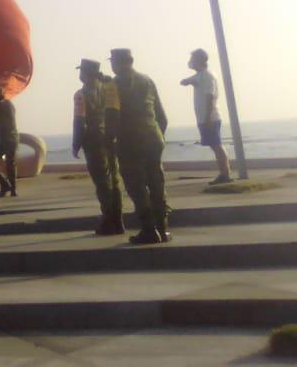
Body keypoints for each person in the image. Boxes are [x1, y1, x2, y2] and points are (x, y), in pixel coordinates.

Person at [111, 48, 170, 245]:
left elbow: (111, 117)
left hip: (130, 141)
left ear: (117, 63)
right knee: (156, 184)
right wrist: (157, 135)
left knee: (137, 187)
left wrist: (112, 141)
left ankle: (149, 229)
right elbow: (162, 116)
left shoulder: (114, 84)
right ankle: (163, 228)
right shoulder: (147, 80)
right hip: (153, 137)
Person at [72, 59, 124, 235]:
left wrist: (76, 143)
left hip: (93, 140)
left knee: (102, 183)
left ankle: (108, 221)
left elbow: (79, 121)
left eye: (81, 71)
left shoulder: (81, 94)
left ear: (85, 73)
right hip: (109, 138)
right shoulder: (109, 88)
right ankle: (119, 221)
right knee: (114, 180)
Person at [181, 48, 232, 185]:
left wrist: (208, 117)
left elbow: (210, 97)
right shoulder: (200, 76)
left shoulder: (207, 76)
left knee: (216, 145)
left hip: (210, 117)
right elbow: (186, 81)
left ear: (199, 60)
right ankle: (224, 173)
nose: (190, 62)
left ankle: (225, 174)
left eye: (192, 59)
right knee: (214, 145)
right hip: (204, 118)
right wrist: (188, 81)